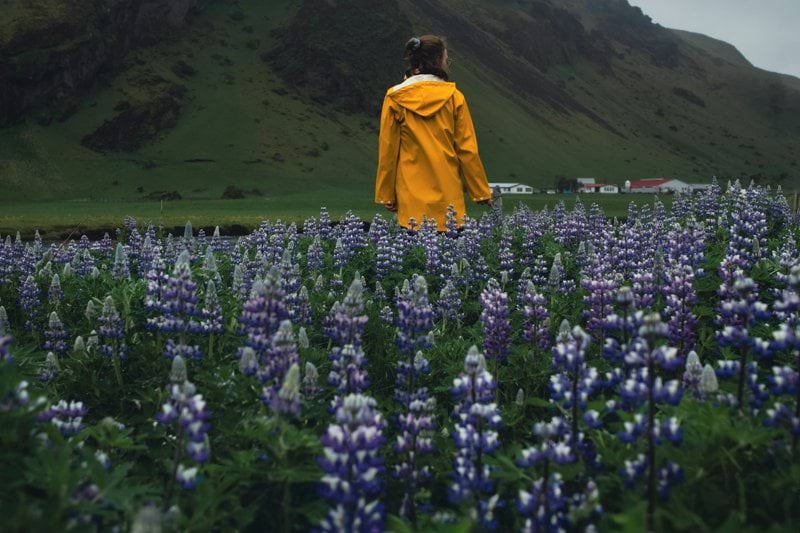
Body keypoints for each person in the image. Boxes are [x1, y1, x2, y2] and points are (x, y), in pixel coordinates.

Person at [374, 35, 492, 231]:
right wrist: (481, 192)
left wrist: (386, 194)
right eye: (446, 59)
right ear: (437, 61)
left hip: (411, 204)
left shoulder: (395, 97)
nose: (447, 63)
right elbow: (467, 150)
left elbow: (388, 150)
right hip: (449, 204)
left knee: (413, 260)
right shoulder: (455, 97)